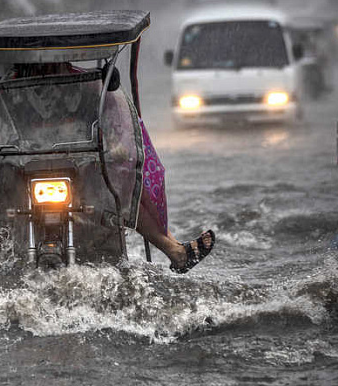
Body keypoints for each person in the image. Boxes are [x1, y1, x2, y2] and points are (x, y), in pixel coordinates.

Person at [12, 62, 215, 273]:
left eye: (54, 61)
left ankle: (174, 251)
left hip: (81, 167)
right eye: (43, 61)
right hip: (24, 166)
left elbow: (114, 124)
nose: (48, 67)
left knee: (127, 190)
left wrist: (118, 147)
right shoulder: (8, 90)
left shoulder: (89, 86)